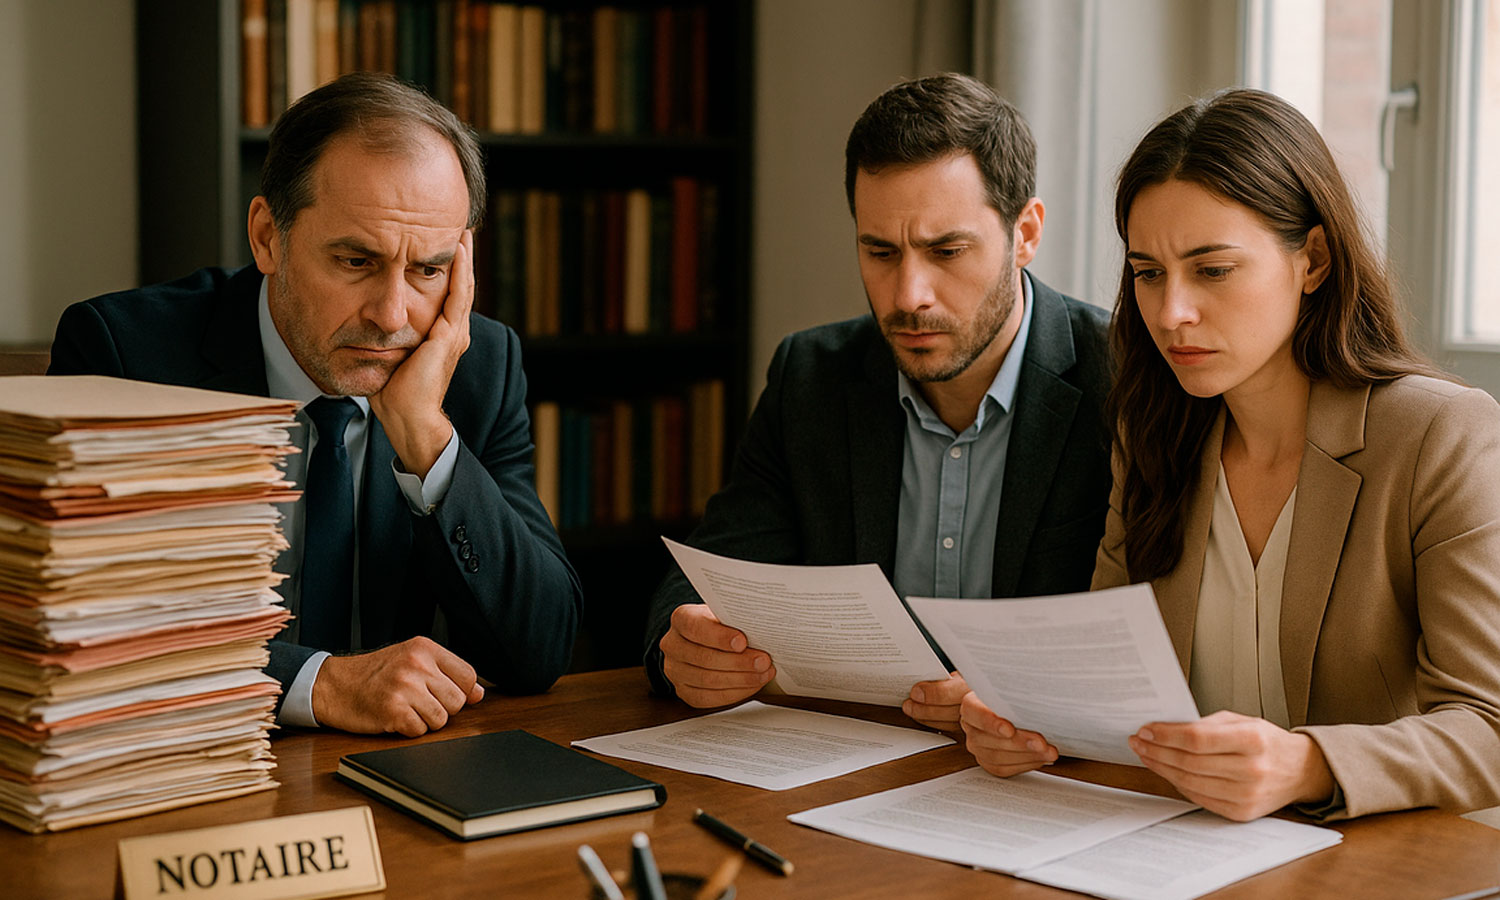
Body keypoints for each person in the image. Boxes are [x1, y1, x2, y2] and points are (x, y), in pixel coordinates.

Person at [960, 87, 1500, 822]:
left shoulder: (1441, 436)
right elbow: (1108, 680)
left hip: (1373, 859)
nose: (1171, 312)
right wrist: (1030, 721)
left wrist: (1308, 765)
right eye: (1149, 272)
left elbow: (1488, 725)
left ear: (1313, 260)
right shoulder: (1152, 433)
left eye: (1212, 270)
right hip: (1180, 847)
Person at [47, 73, 582, 738]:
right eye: (356, 261)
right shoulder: (127, 356)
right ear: (268, 237)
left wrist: (425, 434)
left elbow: (538, 651)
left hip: (391, 768)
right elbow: (89, 618)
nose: (393, 316)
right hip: (187, 758)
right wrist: (316, 682)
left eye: (428, 269)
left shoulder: (478, 365)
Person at [644, 73, 1113, 730]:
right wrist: (686, 648)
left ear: (1026, 233)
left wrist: (1025, 693)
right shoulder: (811, 376)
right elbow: (715, 572)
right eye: (880, 251)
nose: (908, 294)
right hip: (852, 758)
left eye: (946, 250)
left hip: (1046, 768)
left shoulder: (1123, 379)